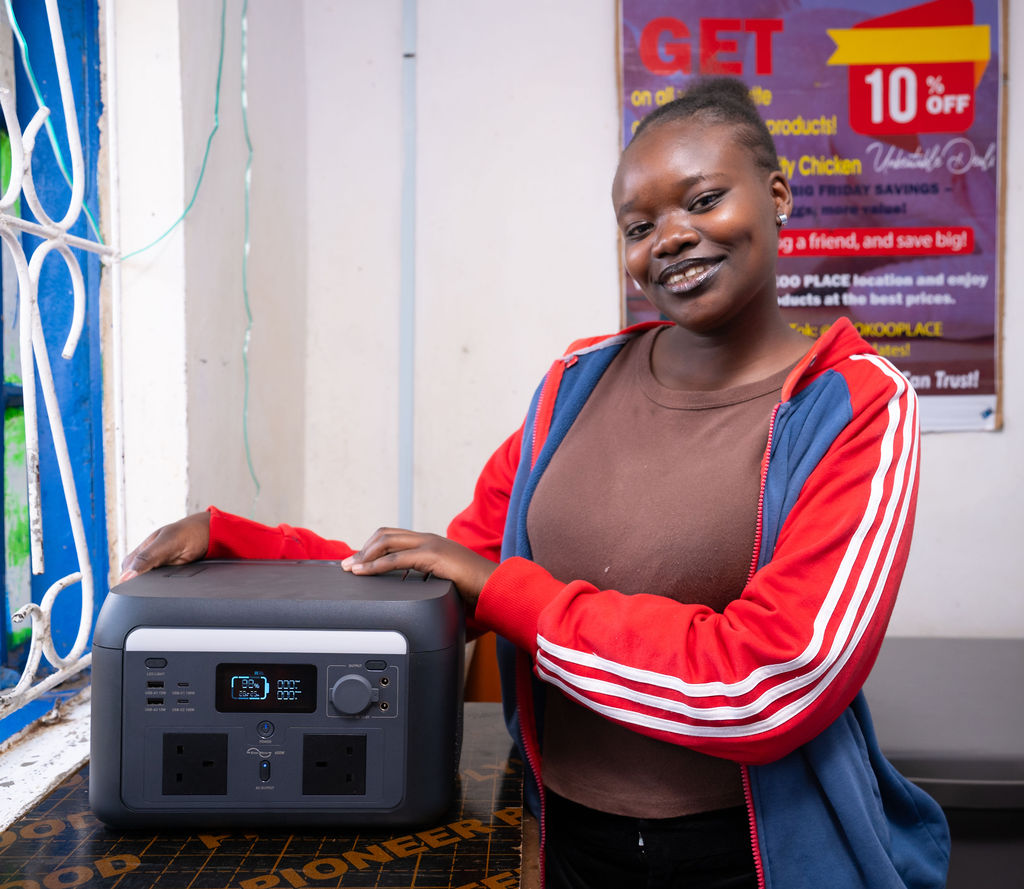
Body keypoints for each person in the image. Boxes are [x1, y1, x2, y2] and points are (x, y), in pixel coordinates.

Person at [122, 78, 950, 889]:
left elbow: (772, 682)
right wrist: (248, 550)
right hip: (560, 836)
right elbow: (449, 577)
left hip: (755, 854)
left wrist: (519, 594)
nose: (669, 237)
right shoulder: (576, 384)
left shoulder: (856, 403)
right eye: (638, 224)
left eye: (702, 201)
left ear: (777, 196)